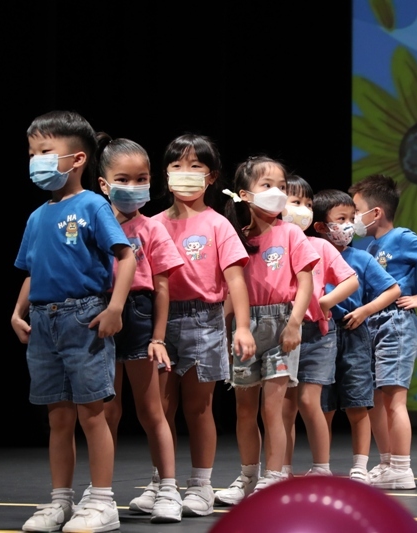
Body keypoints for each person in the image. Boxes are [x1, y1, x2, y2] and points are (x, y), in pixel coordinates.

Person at [12, 110, 136, 533]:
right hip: (43, 322)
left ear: (78, 158)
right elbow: (32, 270)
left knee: (92, 414)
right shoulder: (37, 216)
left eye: (45, 152)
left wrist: (115, 308)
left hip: (82, 317)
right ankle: (60, 501)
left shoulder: (93, 205)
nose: (36, 161)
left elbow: (125, 256)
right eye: (32, 153)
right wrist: (17, 312)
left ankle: (101, 501)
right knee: (58, 417)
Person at [149, 134, 256, 517]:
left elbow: (236, 280)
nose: (185, 173)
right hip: (159, 320)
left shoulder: (217, 225)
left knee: (198, 407)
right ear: (165, 174)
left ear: (210, 177)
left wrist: (241, 327)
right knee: (160, 407)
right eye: (177, 165)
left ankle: (200, 485)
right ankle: (162, 483)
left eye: (195, 166)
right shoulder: (154, 224)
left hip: (203, 320)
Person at [215, 156, 319, 504]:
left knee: (272, 409)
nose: (277, 192)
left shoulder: (290, 233)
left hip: (281, 325)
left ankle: (274, 477)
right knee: (244, 409)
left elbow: (305, 283)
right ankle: (248, 477)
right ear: (245, 194)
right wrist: (226, 329)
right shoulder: (237, 237)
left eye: (281, 186)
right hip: (246, 327)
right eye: (267, 185)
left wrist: (294, 324)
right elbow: (231, 290)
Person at [94, 135, 184, 522]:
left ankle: (168, 488)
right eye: (123, 179)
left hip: (139, 316)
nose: (133, 187)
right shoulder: (93, 225)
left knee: (151, 410)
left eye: (141, 179)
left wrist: (158, 337)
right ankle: (100, 492)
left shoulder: (152, 229)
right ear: (104, 184)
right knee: (106, 411)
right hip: (98, 314)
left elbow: (162, 288)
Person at [348, 174, 417, 489]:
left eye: (356, 211)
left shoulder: (401, 237)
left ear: (375, 212)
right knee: (376, 399)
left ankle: (402, 468)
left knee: (395, 398)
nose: (353, 219)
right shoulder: (372, 245)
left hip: (396, 322)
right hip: (373, 323)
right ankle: (386, 462)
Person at [314, 189, 401, 484]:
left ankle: (360, 467)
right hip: (319, 334)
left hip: (353, 334)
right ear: (320, 226)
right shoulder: (310, 254)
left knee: (357, 402)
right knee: (323, 404)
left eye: (352, 219)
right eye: (341, 219)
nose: (349, 225)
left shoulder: (361, 258)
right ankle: (321, 465)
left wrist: (365, 311)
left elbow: (393, 289)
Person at [280, 176, 359, 478]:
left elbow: (350, 280)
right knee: (284, 405)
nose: (302, 208)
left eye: (308, 204)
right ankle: (281, 469)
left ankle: (321, 468)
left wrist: (326, 302)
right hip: (281, 333)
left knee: (308, 401)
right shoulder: (270, 244)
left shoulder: (320, 246)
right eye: (295, 202)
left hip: (317, 335)